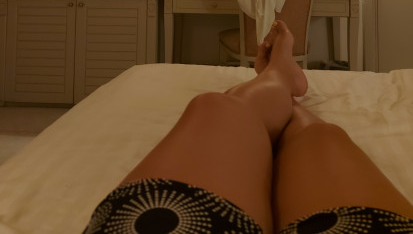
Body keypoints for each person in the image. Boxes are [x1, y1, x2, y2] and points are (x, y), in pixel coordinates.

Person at [83, 21, 413, 234]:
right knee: (322, 135)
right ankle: (284, 87)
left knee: (215, 105)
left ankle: (278, 80)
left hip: (166, 214)